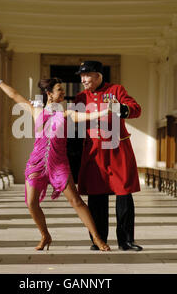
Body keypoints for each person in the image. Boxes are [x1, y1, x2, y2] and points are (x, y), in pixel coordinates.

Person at [0, 77, 111, 252]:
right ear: (49, 94)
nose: (63, 92)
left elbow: (88, 116)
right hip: (37, 163)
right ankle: (45, 236)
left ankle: (97, 238)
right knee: (31, 202)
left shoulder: (67, 113)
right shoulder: (35, 110)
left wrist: (106, 111)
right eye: (59, 90)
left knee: (76, 201)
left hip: (59, 164)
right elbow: (14, 95)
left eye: (62, 89)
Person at [74, 61, 144, 251]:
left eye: (87, 75)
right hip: (94, 152)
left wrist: (121, 109)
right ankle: (99, 240)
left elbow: (135, 109)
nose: (83, 79)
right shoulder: (80, 97)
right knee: (97, 198)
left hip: (117, 150)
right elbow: (74, 124)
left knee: (124, 195)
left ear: (98, 76)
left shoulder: (116, 90)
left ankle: (126, 240)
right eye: (81, 76)